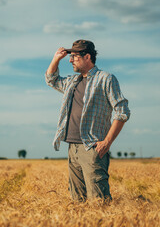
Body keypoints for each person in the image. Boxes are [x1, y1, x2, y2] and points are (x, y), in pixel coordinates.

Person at [45, 39, 130, 202]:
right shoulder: (72, 81)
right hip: (72, 147)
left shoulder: (106, 79)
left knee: (99, 201)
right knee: (78, 202)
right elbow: (51, 79)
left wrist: (107, 142)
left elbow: (122, 111)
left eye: (74, 56)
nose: (70, 60)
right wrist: (56, 59)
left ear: (87, 57)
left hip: (92, 147)